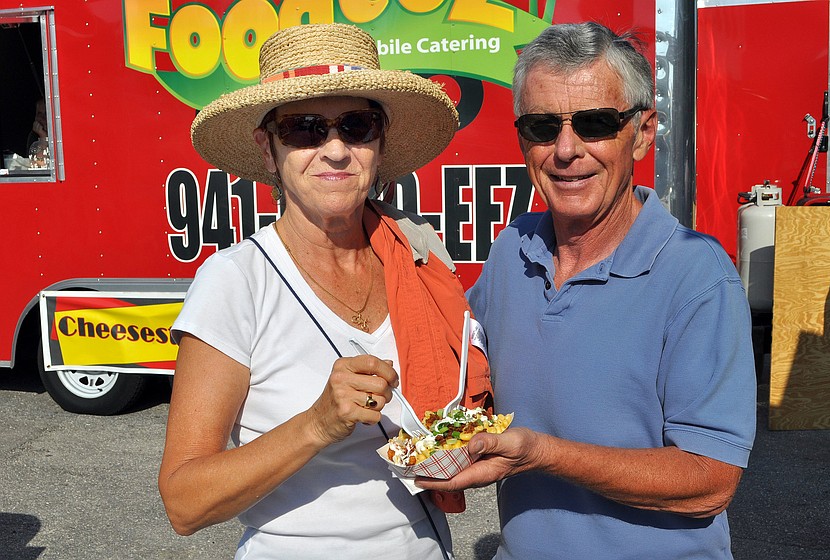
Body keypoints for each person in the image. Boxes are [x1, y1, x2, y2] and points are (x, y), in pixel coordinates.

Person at [416, 22, 757, 559]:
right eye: (542, 126)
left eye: (595, 123)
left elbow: (710, 480)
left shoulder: (697, 276)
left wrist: (538, 453)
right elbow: (453, 366)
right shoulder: (513, 251)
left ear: (643, 133)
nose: (566, 150)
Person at [158, 23, 492, 560]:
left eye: (357, 126)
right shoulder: (237, 281)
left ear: (379, 147)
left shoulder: (418, 259)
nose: (335, 150)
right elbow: (184, 502)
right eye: (305, 129)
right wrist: (317, 424)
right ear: (269, 150)